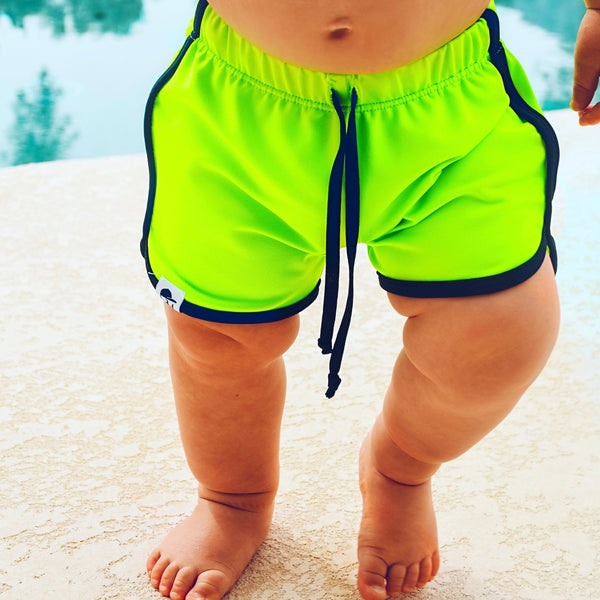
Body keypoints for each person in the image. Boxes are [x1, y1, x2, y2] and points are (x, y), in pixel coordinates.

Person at [140, 1, 600, 599]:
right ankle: (233, 497)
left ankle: (401, 469)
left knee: (503, 332)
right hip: (242, 106)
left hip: (451, 109)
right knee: (220, 336)